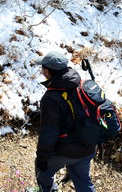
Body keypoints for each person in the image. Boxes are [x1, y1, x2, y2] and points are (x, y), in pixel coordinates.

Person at [34, 50, 96, 192]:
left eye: (43, 68)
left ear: (48, 71)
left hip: (68, 150)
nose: (42, 70)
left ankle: (47, 190)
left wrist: (42, 158)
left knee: (41, 169)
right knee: (83, 180)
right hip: (89, 146)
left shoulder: (51, 97)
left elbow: (49, 131)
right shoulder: (81, 85)